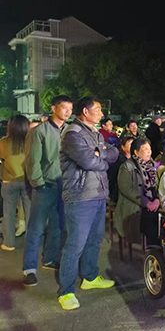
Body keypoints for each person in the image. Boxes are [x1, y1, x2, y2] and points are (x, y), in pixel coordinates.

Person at [58, 97, 118, 310]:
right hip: (80, 197)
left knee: (95, 239)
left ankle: (90, 277)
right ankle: (66, 291)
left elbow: (114, 153)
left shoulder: (95, 133)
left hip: (98, 194)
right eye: (98, 109)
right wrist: (102, 160)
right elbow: (87, 161)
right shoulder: (72, 134)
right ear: (85, 111)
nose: (102, 113)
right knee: (75, 245)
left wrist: (100, 154)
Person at [23, 95, 73, 287]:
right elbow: (32, 160)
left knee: (58, 225)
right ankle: (29, 269)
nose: (68, 112)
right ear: (54, 108)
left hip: (64, 185)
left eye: (70, 108)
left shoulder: (69, 131)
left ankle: (50, 258)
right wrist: (38, 183)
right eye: (64, 107)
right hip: (45, 186)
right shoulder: (39, 131)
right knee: (36, 228)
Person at [114, 137, 160, 247]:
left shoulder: (154, 166)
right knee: (151, 224)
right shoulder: (127, 167)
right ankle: (155, 249)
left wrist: (157, 200)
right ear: (136, 152)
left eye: (150, 149)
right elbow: (127, 189)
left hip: (154, 204)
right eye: (145, 149)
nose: (149, 152)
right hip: (136, 206)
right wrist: (147, 203)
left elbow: (159, 186)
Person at [0, 115, 31, 251]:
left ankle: (9, 243)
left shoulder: (3, 142)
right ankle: (31, 243)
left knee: (9, 213)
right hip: (28, 181)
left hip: (9, 181)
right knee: (30, 212)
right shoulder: (31, 141)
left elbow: (2, 158)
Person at [107, 134, 135, 203]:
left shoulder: (136, 160)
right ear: (123, 147)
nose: (132, 146)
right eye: (130, 144)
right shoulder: (119, 161)